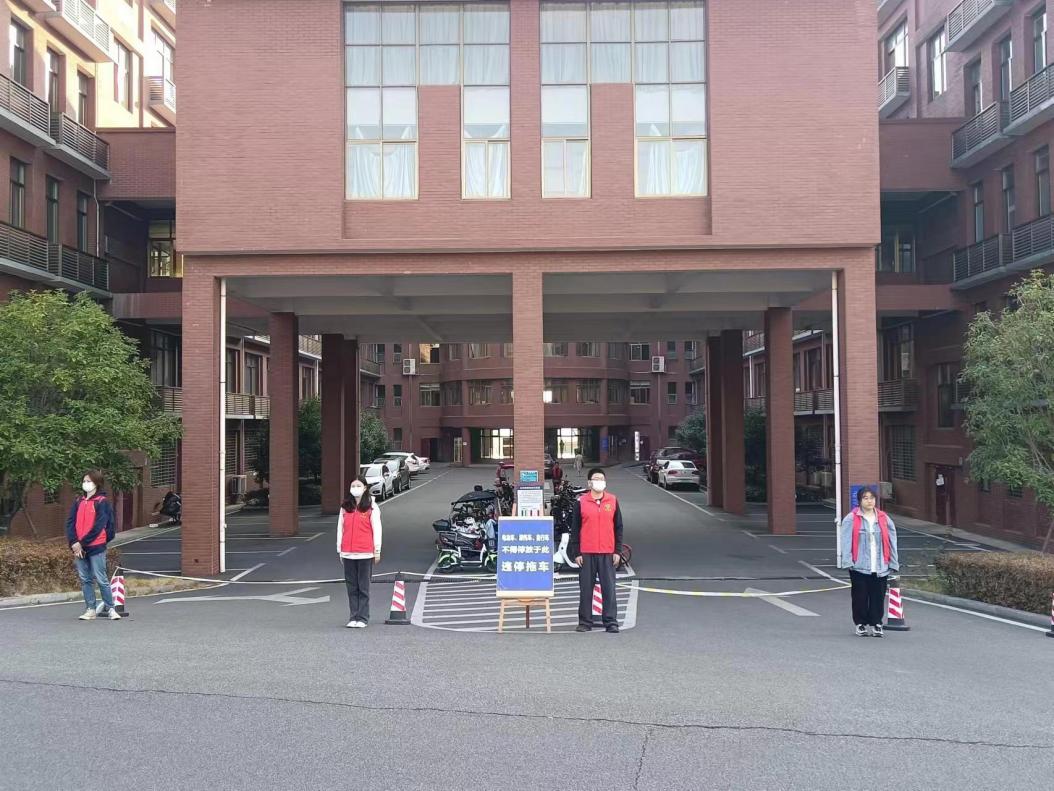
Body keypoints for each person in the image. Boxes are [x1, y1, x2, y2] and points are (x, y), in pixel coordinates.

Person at [839, 486, 899, 637]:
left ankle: (877, 623)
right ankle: (860, 624)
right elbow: (845, 541)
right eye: (865, 498)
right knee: (860, 597)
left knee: (878, 597)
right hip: (859, 566)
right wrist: (848, 561)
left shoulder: (884, 518)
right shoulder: (851, 518)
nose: (869, 501)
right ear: (859, 501)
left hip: (880, 566)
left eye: (872, 498)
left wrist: (893, 562)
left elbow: (892, 541)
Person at [569, 467, 624, 633]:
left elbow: (618, 527)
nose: (599, 481)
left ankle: (611, 622)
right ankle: (585, 622)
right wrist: (577, 552)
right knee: (586, 589)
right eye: (596, 479)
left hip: (607, 552)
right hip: (587, 552)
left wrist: (617, 551)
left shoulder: (612, 501)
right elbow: (575, 529)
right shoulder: (581, 502)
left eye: (602, 479)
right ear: (589, 483)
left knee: (609, 588)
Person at [65, 471, 120, 621]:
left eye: (89, 481)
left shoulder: (102, 502)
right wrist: (74, 542)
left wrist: (82, 543)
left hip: (95, 546)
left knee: (101, 578)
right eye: (84, 481)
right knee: (85, 579)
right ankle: (90, 609)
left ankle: (110, 608)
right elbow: (70, 523)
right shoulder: (79, 501)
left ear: (97, 483)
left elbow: (100, 525)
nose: (86, 484)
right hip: (78, 547)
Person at [337, 478, 382, 629]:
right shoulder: (345, 507)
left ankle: (362, 617)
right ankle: (353, 616)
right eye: (353, 485)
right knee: (351, 587)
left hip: (365, 553)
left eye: (358, 485)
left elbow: (377, 529)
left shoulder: (371, 506)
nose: (355, 488)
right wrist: (339, 549)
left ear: (365, 488)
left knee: (363, 587)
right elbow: (340, 529)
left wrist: (377, 550)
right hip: (347, 553)